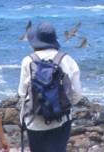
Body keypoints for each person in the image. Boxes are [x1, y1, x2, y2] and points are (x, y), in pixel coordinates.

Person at [18, 22, 82, 152]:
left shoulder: (28, 61)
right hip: (60, 120)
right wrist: (60, 107)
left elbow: (22, 93)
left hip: (34, 121)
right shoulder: (66, 59)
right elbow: (76, 94)